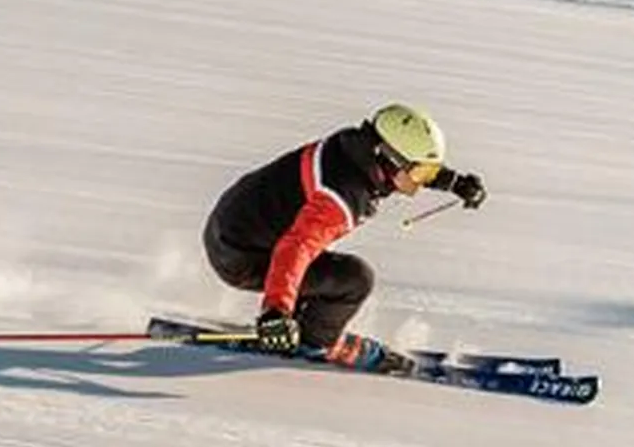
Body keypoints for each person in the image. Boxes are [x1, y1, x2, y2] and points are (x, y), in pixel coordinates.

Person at [202, 103, 486, 369]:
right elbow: (295, 249)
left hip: (233, 225)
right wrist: (276, 312)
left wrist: (454, 183)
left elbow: (404, 167)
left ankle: (303, 322)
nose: (422, 180)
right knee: (355, 279)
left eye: (430, 172)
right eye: (422, 172)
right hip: (241, 256)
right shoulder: (340, 197)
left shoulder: (354, 147)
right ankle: (313, 344)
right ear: (387, 159)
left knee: (327, 270)